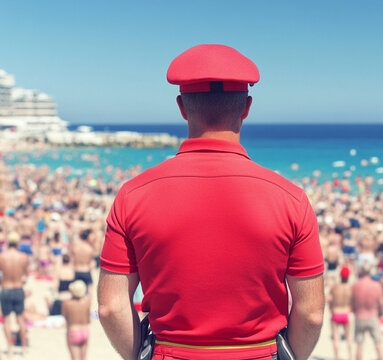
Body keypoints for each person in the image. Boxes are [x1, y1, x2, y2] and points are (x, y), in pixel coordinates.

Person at [98, 44, 325, 360]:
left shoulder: (133, 195)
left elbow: (111, 307)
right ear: (246, 107)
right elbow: (311, 312)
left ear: (181, 107)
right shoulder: (291, 199)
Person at [0, 232, 30, 357]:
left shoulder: (2, 257)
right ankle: (23, 349)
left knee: (7, 321)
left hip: (6, 289)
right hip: (18, 288)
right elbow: (25, 276)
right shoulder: (23, 257)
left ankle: (10, 349)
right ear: (17, 242)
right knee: (20, 320)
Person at [352, 262, 383, 360]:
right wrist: (379, 313)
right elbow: (381, 303)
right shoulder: (376, 285)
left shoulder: (355, 286)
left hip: (360, 316)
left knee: (359, 346)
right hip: (372, 315)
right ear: (370, 272)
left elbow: (352, 303)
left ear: (361, 272)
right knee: (378, 345)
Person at [62, 280, 91, 360]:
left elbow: (65, 316)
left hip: (73, 331)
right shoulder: (87, 302)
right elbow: (88, 319)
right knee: (83, 358)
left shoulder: (66, 303)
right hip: (85, 331)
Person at [329, 266, 353, 360]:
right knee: (349, 338)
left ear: (340, 275)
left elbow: (330, 299)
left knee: (336, 339)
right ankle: (351, 357)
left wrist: (331, 308)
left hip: (335, 313)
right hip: (346, 313)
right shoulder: (350, 288)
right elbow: (352, 301)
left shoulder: (335, 287)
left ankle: (337, 358)